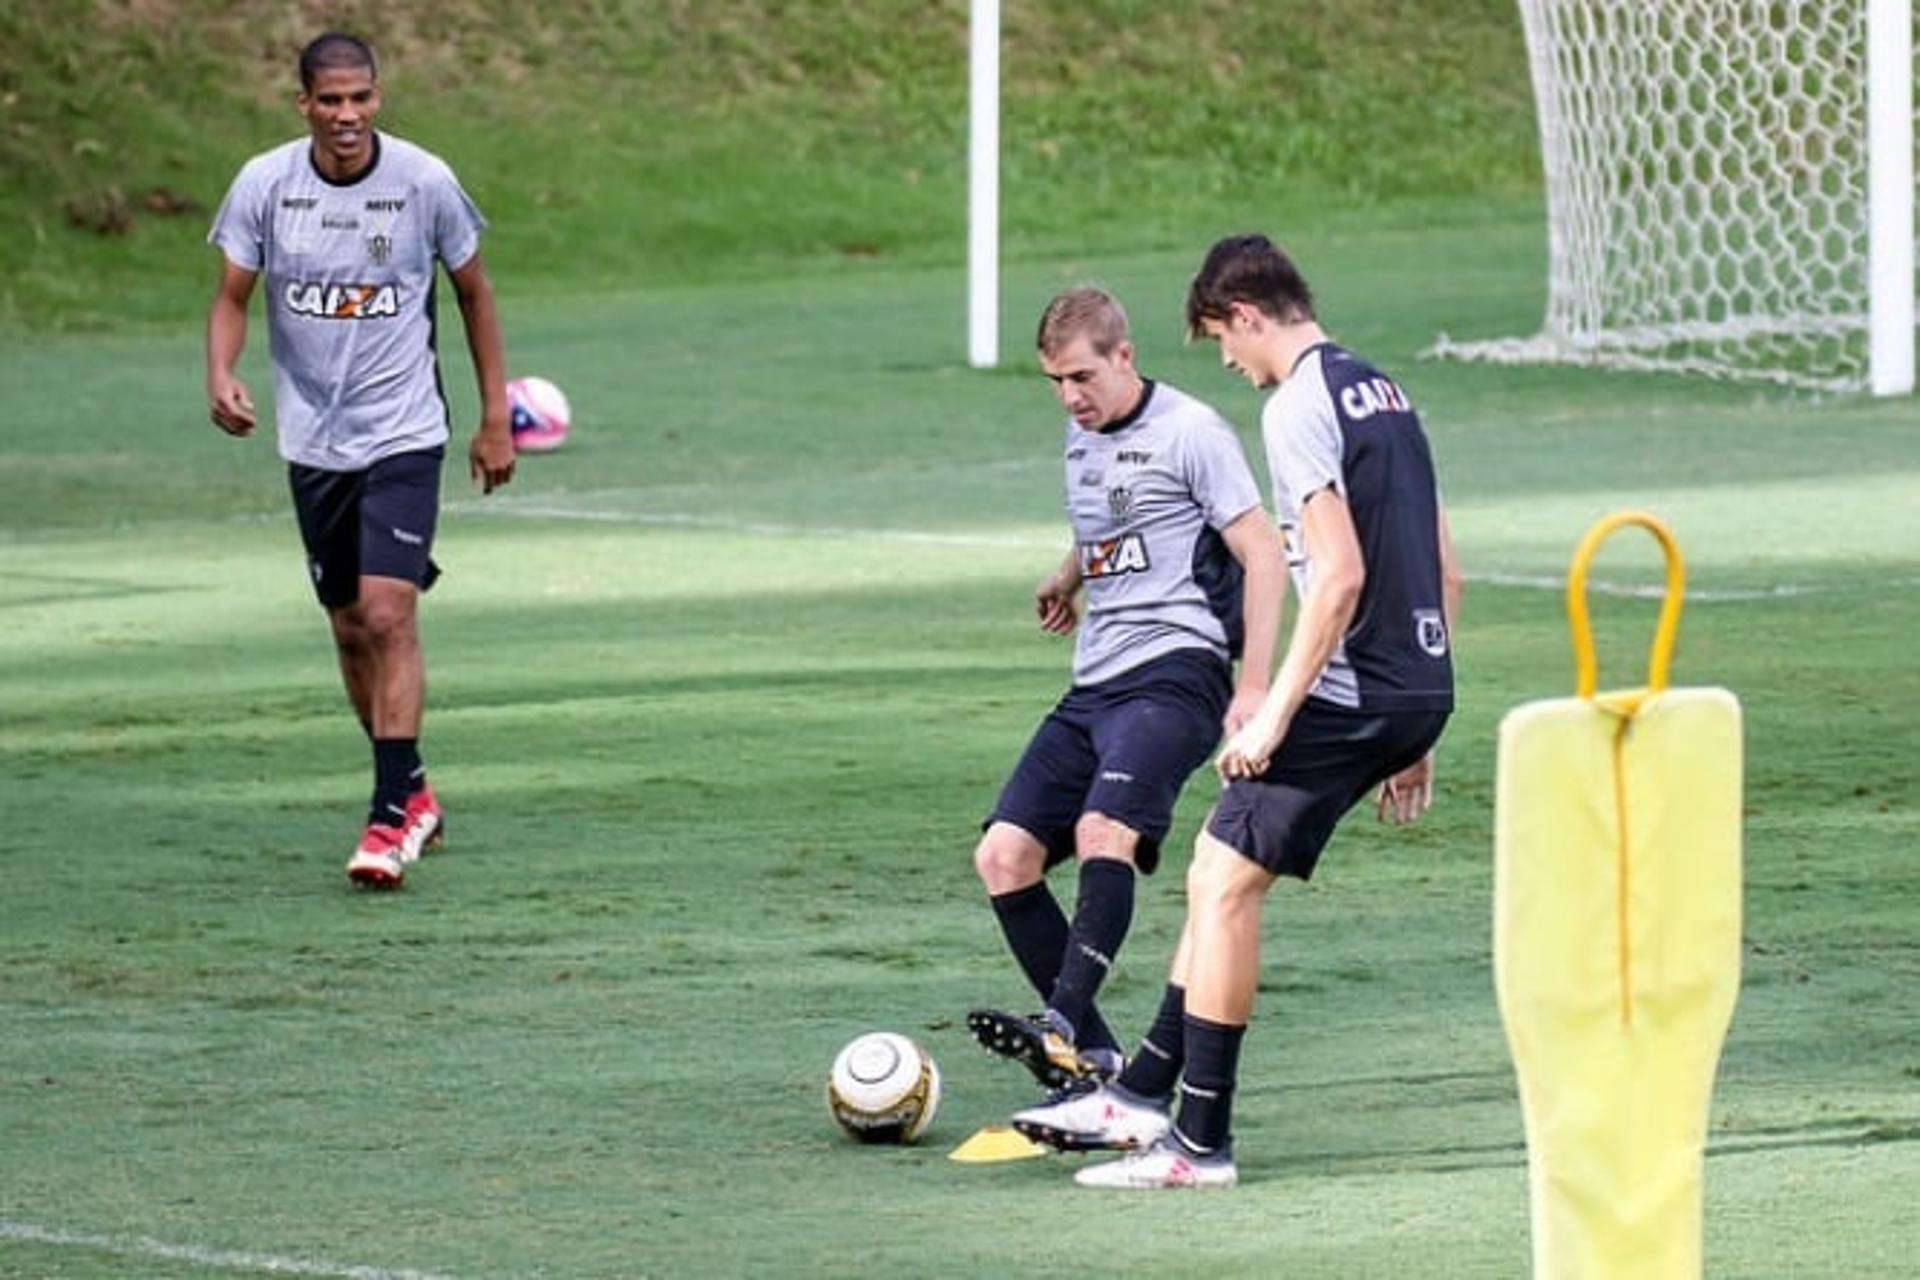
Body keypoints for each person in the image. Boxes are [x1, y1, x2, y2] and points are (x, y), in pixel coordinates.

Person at [1012, 234, 1462, 1188]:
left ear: (1248, 316)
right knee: (1222, 874)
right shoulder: (1383, 390)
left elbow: (1333, 580)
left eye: (1223, 338)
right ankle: (1140, 1094)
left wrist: (1267, 712)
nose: (1225, 360)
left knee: (1217, 889)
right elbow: (1442, 563)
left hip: (1352, 690)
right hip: (1415, 684)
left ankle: (1197, 1144)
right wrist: (1426, 723)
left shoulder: (1298, 404)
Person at [204, 32, 516, 889]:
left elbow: (475, 295)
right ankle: (412, 787)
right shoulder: (266, 186)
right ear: (303, 103)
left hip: (405, 429)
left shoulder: (423, 182)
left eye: (362, 99)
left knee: (388, 615)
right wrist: (220, 371)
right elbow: (232, 297)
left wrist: (495, 416)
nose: (348, 117)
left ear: (378, 98)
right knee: (347, 625)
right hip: (312, 439)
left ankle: (387, 819)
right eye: (331, 101)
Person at [967, 286, 1284, 1090]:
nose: (1070, 397)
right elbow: (1109, 521)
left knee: (1106, 828)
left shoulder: (1192, 432)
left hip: (1177, 675)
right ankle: (1098, 1061)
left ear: (1124, 357)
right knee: (1004, 856)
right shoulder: (1081, 439)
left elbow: (1265, 555)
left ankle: (1062, 1023)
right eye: (1056, 382)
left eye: (1082, 377)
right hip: (1095, 684)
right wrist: (1068, 574)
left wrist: (1253, 690)